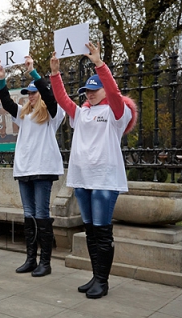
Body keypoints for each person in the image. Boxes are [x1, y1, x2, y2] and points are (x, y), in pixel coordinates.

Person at [49, 42, 136, 299]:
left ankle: (103, 280)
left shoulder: (115, 112)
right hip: (83, 179)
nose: (89, 93)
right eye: (87, 90)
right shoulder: (81, 114)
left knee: (102, 230)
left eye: (94, 89)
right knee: (90, 230)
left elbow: (115, 92)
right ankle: (95, 275)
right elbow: (62, 99)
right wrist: (55, 73)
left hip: (105, 180)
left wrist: (99, 64)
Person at [0, 56, 65, 276]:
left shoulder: (53, 114)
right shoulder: (23, 115)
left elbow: (49, 95)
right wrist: (1, 80)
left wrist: (34, 72)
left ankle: (46, 261)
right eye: (28, 93)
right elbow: (6, 103)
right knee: (28, 214)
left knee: (41, 214)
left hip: (42, 169)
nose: (31, 96)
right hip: (24, 170)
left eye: (34, 92)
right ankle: (30, 259)